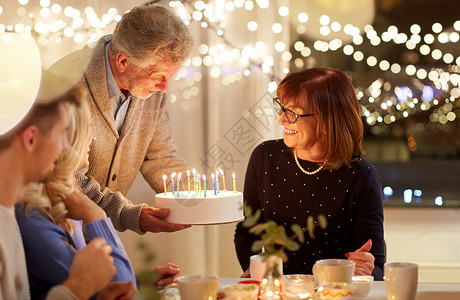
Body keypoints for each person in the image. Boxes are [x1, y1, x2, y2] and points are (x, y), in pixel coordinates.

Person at [16, 96, 184, 299]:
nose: (93, 137)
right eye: (88, 127)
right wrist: (95, 214)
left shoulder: (60, 200)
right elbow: (117, 286)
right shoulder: (33, 217)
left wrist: (139, 281)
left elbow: (96, 287)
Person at [48, 3, 193, 234]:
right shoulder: (66, 84)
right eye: (158, 77)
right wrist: (126, 214)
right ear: (123, 62)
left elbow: (160, 156)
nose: (164, 88)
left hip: (100, 230)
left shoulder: (150, 90)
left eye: (169, 77)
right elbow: (64, 176)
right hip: (57, 228)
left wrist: (198, 198)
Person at [234, 67, 385, 280]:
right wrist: (258, 271)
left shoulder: (362, 176)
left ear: (326, 120)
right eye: (282, 108)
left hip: (332, 293)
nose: (282, 120)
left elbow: (376, 267)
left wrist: (365, 269)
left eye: (292, 113)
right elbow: (246, 232)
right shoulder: (265, 157)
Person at [0, 70, 133, 299]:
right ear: (31, 139)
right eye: (62, 133)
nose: (65, 147)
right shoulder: (26, 218)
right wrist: (95, 214)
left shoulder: (9, 216)